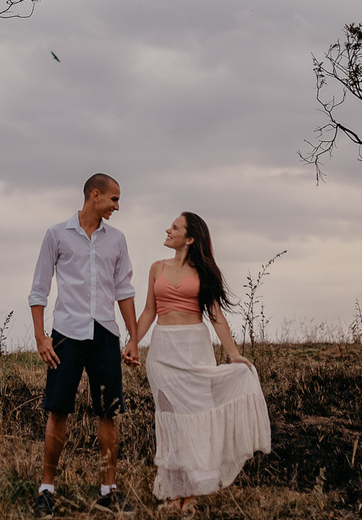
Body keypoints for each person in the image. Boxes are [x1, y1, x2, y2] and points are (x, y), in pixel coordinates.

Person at [133, 212, 271, 513]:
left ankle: (192, 494)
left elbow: (215, 314)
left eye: (175, 227)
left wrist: (233, 353)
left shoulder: (204, 271)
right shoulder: (157, 268)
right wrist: (132, 342)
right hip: (162, 352)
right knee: (170, 421)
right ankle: (175, 494)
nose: (168, 229)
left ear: (190, 237)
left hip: (194, 348)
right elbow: (148, 312)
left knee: (195, 418)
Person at [29, 173, 140, 518]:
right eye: (114, 199)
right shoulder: (56, 234)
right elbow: (38, 289)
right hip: (66, 334)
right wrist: (40, 337)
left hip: (105, 334)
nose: (117, 206)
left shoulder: (117, 240)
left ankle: (109, 490)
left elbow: (124, 290)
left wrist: (134, 338)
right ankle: (46, 489)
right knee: (58, 409)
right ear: (95, 195)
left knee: (109, 412)